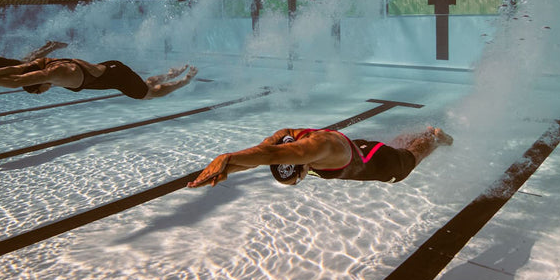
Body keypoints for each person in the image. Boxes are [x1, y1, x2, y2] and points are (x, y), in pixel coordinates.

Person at [188, 125, 452, 187]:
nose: (302, 179)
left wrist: (228, 155)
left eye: (298, 178)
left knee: (407, 159)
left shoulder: (316, 149)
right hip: (363, 150)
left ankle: (434, 137)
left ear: (300, 166)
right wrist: (228, 167)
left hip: (385, 166)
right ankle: (423, 132)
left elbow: (267, 153)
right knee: (395, 146)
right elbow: (268, 150)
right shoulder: (293, 137)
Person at [0, 58, 199, 100]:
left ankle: (182, 81)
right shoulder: (45, 63)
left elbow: (16, 80)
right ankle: (169, 73)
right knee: (143, 83)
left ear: (39, 85)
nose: (43, 93)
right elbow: (14, 70)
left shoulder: (54, 74)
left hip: (118, 76)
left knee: (148, 94)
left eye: (38, 91)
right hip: (112, 66)